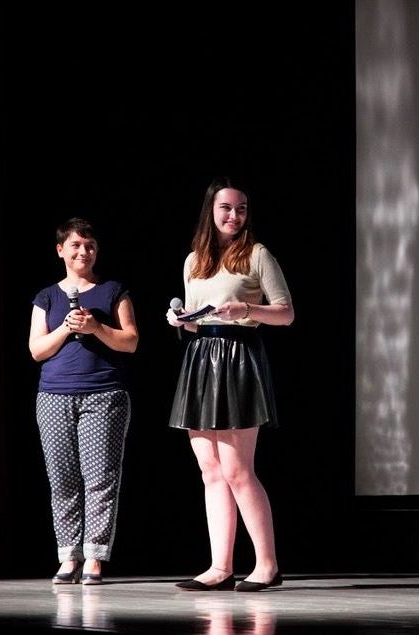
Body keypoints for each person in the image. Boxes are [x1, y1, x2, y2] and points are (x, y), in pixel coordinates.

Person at [166, 176, 294, 592]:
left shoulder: (257, 255)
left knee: (239, 469)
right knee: (210, 470)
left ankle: (267, 565)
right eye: (226, 208)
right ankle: (220, 566)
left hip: (240, 358)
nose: (234, 216)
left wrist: (246, 309)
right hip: (201, 358)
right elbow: (196, 317)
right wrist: (182, 321)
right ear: (211, 211)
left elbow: (286, 313)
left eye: (241, 209)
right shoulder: (193, 261)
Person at [29, 217, 139, 585]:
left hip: (104, 394)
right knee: (62, 479)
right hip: (54, 396)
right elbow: (37, 350)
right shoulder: (48, 297)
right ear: (61, 250)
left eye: (89, 246)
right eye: (76, 245)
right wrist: (66, 327)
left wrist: (96, 328)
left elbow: (131, 341)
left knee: (100, 478)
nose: (83, 252)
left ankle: (94, 557)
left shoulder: (112, 291)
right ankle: (68, 556)